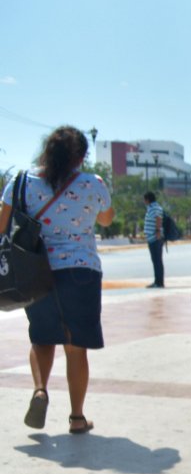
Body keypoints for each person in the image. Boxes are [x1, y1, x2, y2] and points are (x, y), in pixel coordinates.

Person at [0, 126, 114, 434]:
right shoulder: (94, 183)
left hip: (36, 271)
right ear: (80, 156)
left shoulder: (21, 182)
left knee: (42, 338)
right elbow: (106, 219)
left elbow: (2, 225)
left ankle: (40, 390)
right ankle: (77, 417)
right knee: (76, 346)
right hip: (81, 270)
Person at [143, 191, 165, 288]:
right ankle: (158, 281)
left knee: (157, 260)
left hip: (155, 238)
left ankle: (159, 282)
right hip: (152, 238)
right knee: (156, 260)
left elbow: (158, 218)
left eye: (145, 199)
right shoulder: (153, 207)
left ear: (147, 199)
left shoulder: (154, 208)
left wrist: (157, 231)